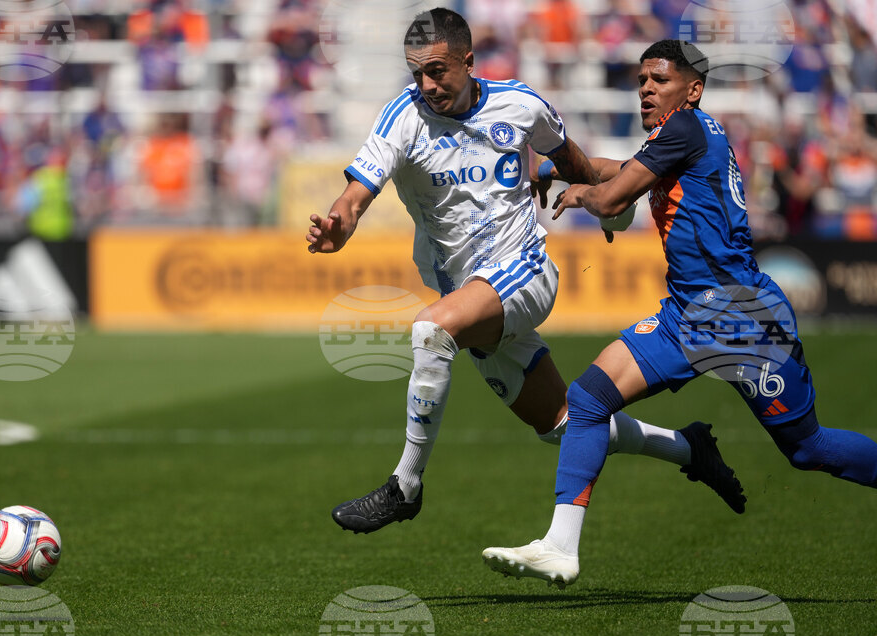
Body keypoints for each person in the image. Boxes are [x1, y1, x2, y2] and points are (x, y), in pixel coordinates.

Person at [307, 11, 745, 538]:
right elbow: (356, 194)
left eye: (438, 70)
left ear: (468, 62)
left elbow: (577, 165)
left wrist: (614, 210)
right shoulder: (403, 117)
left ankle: (406, 487)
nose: (427, 84)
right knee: (560, 425)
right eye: (416, 72)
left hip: (525, 271)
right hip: (468, 293)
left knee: (430, 330)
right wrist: (340, 224)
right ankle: (688, 448)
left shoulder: (521, 105)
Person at [482, 39, 877, 587]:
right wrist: (558, 171)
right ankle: (560, 545)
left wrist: (582, 196)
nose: (645, 88)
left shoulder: (685, 129)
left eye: (659, 80)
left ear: (692, 90)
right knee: (590, 398)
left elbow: (614, 198)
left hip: (743, 320)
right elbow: (617, 170)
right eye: (642, 79)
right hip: (689, 316)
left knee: (807, 449)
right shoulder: (681, 137)